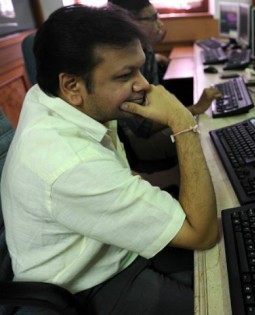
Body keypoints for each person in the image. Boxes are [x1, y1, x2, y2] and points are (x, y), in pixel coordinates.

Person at [1, 4, 218, 314]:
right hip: (86, 282)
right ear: (72, 86)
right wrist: (181, 121)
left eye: (140, 68)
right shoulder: (71, 162)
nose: (144, 84)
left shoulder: (51, 96)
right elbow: (203, 234)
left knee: (232, 243)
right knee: (222, 299)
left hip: (104, 242)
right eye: (125, 75)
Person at [109, 0, 222, 164]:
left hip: (145, 127)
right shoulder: (123, 64)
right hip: (140, 143)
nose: (160, 24)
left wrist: (156, 55)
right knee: (209, 136)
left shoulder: (143, 47)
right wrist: (195, 108)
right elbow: (144, 128)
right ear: (129, 22)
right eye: (153, 18)